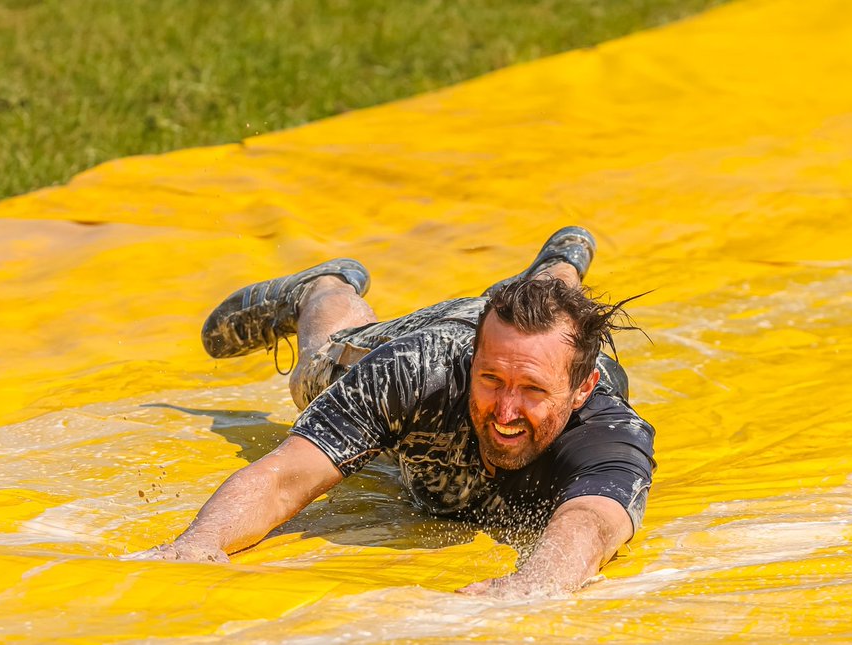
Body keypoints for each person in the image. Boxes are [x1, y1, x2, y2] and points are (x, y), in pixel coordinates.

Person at [135, 227, 656, 598]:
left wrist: (537, 582)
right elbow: (284, 477)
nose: (505, 410)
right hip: (436, 335)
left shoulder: (608, 429)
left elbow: (592, 520)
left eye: (533, 392)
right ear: (473, 361)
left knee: (557, 320)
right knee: (315, 375)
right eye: (491, 380)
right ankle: (324, 288)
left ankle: (555, 272)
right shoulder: (418, 372)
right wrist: (198, 542)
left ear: (582, 390)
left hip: (532, 340)